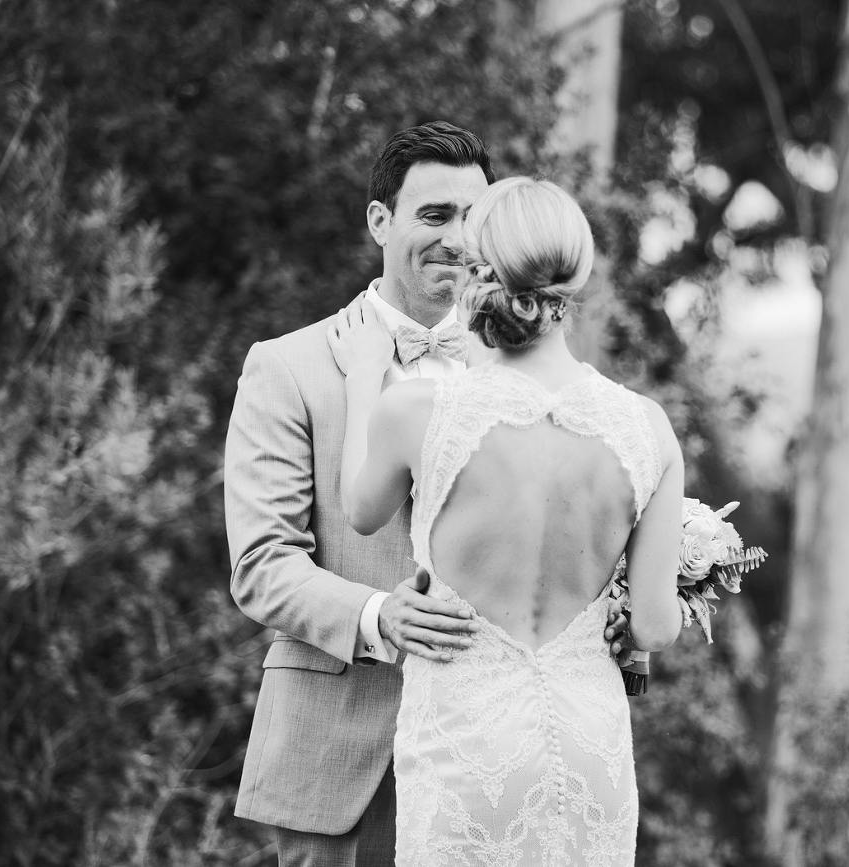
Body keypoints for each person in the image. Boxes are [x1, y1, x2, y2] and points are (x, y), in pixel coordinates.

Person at [224, 123, 630, 866]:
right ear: (380, 221)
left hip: (490, 757)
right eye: (433, 215)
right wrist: (382, 616)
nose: (455, 238)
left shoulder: (535, 377)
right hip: (342, 747)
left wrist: (618, 616)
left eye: (471, 218)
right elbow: (261, 563)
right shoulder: (287, 367)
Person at [331, 176, 685, 865]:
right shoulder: (645, 427)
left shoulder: (419, 412)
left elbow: (359, 510)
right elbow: (654, 625)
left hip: (467, 746)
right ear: (573, 275)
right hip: (589, 748)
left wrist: (361, 379)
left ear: (476, 267)